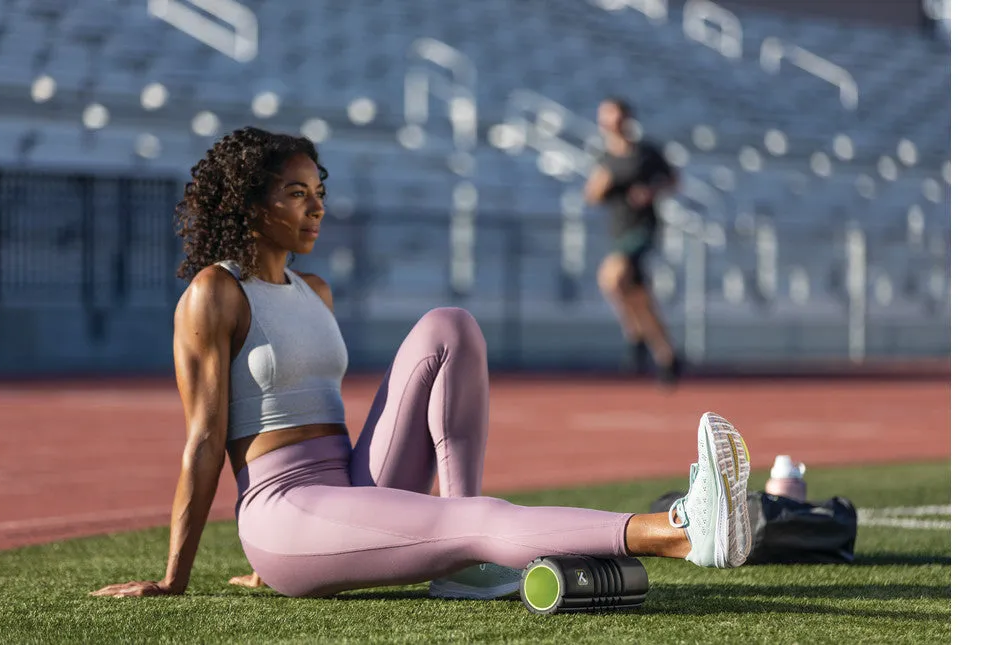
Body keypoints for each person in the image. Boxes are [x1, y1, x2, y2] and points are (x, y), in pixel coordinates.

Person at [91, 126, 753, 601]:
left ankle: (463, 559)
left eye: (318, 190)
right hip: (283, 508)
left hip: (350, 482)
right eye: (296, 193)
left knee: (450, 324)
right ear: (251, 205)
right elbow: (206, 440)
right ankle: (680, 532)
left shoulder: (313, 289)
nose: (316, 205)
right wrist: (175, 575)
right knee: (473, 523)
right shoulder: (214, 291)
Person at [584, 97, 682, 382]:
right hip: (618, 230)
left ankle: (634, 334)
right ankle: (666, 354)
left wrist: (651, 191)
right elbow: (591, 196)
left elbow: (673, 181)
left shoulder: (646, 153)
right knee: (639, 296)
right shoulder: (604, 158)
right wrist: (599, 188)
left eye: (614, 116)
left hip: (643, 229)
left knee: (611, 277)